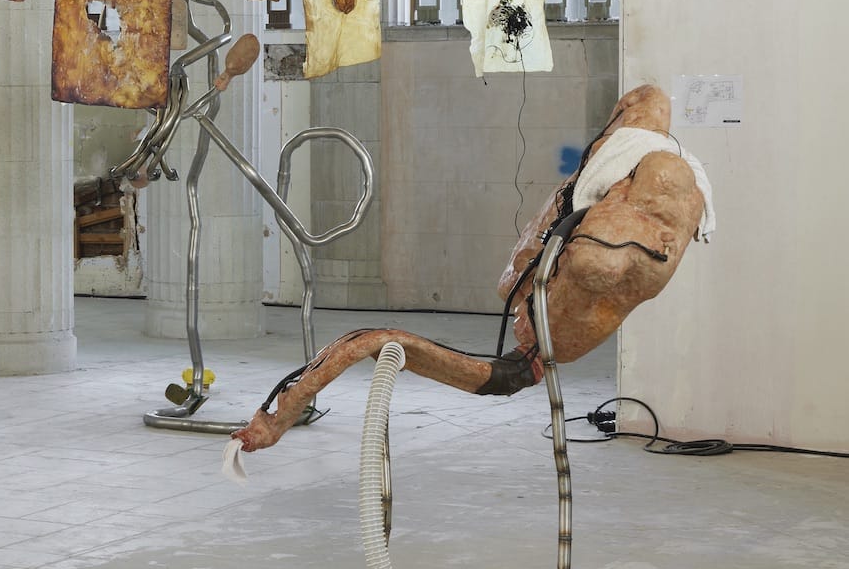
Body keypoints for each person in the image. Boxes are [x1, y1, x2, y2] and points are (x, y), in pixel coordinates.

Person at [232, 84, 711, 452]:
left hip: (599, 259)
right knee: (649, 108)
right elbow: (369, 342)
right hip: (608, 250)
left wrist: (278, 418)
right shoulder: (541, 307)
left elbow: (369, 342)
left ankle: (620, 184)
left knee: (646, 119)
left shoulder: (543, 306)